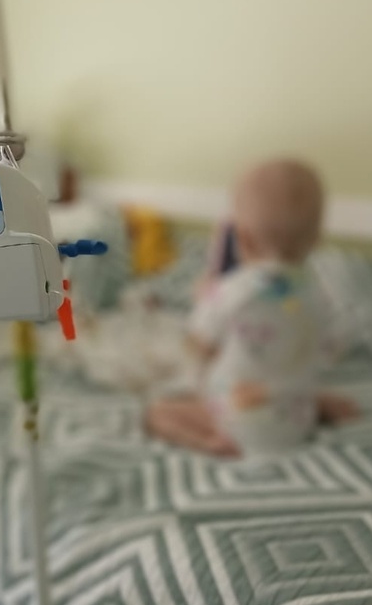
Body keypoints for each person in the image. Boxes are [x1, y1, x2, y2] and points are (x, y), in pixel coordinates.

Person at [145, 159, 358, 455]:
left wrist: (204, 301)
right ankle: (316, 404)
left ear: (241, 237)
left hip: (236, 418)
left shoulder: (231, 292)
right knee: (287, 372)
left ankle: (211, 443)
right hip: (297, 419)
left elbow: (197, 345)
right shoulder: (317, 293)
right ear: (317, 239)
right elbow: (328, 350)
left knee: (158, 413)